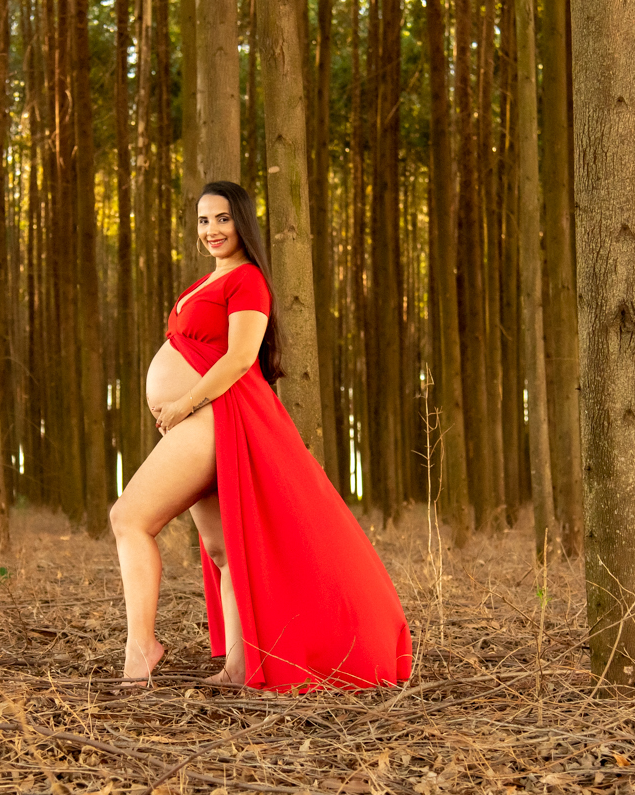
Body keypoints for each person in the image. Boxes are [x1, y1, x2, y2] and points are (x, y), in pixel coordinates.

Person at [109, 180, 412, 691]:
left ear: (243, 222)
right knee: (223, 548)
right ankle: (240, 665)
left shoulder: (248, 281)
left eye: (223, 219)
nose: (212, 230)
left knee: (129, 518)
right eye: (204, 220)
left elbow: (240, 358)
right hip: (197, 421)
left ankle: (141, 648)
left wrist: (183, 402)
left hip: (213, 421)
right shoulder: (204, 282)